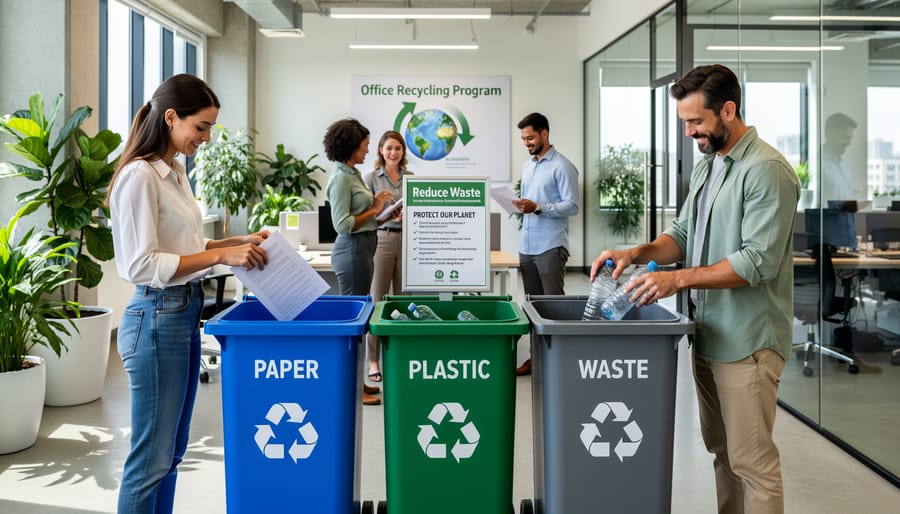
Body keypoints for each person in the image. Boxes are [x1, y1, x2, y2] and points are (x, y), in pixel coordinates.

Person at [591, 64, 799, 514]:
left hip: (747, 341)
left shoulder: (767, 171)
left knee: (753, 462)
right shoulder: (710, 167)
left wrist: (677, 279)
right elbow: (683, 235)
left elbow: (756, 262)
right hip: (708, 334)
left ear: (728, 110)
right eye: (684, 122)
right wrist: (637, 252)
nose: (688, 132)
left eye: (696, 121)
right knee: (724, 454)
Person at [107, 74, 270, 514]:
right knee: (150, 462)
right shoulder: (139, 176)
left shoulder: (175, 171)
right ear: (171, 117)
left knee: (171, 457)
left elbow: (186, 249)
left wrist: (235, 244)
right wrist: (224, 258)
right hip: (156, 318)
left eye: (211, 128)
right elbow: (143, 264)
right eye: (201, 127)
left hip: (180, 316)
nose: (207, 138)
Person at [323, 118, 393, 406]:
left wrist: (385, 213)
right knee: (353, 322)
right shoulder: (340, 179)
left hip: (363, 247)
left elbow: (364, 219)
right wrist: (376, 206)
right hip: (351, 251)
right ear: (351, 146)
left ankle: (358, 382)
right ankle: (351, 387)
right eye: (364, 146)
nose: (367, 151)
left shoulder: (353, 174)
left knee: (360, 317)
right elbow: (342, 224)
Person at [513, 112, 580, 376]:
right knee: (532, 305)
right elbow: (530, 203)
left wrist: (538, 207)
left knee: (553, 306)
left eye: (530, 137)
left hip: (550, 246)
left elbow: (572, 205)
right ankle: (536, 359)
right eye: (523, 139)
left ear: (544, 133)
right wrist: (520, 205)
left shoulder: (562, 166)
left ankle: (558, 361)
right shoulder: (528, 167)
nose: (527, 142)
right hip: (527, 246)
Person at [363, 130, 412, 383]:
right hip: (381, 239)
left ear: (403, 152)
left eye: (398, 148)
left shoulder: (411, 179)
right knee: (377, 301)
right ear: (381, 150)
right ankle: (374, 361)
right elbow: (368, 216)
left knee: (402, 301)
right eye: (389, 148)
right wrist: (388, 215)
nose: (394, 153)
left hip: (409, 241)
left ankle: (400, 356)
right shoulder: (370, 178)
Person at [819, 112, 859, 203]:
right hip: (825, 217)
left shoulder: (845, 166)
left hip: (846, 216)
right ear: (829, 133)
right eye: (845, 137)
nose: (849, 143)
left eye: (850, 138)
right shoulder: (817, 164)